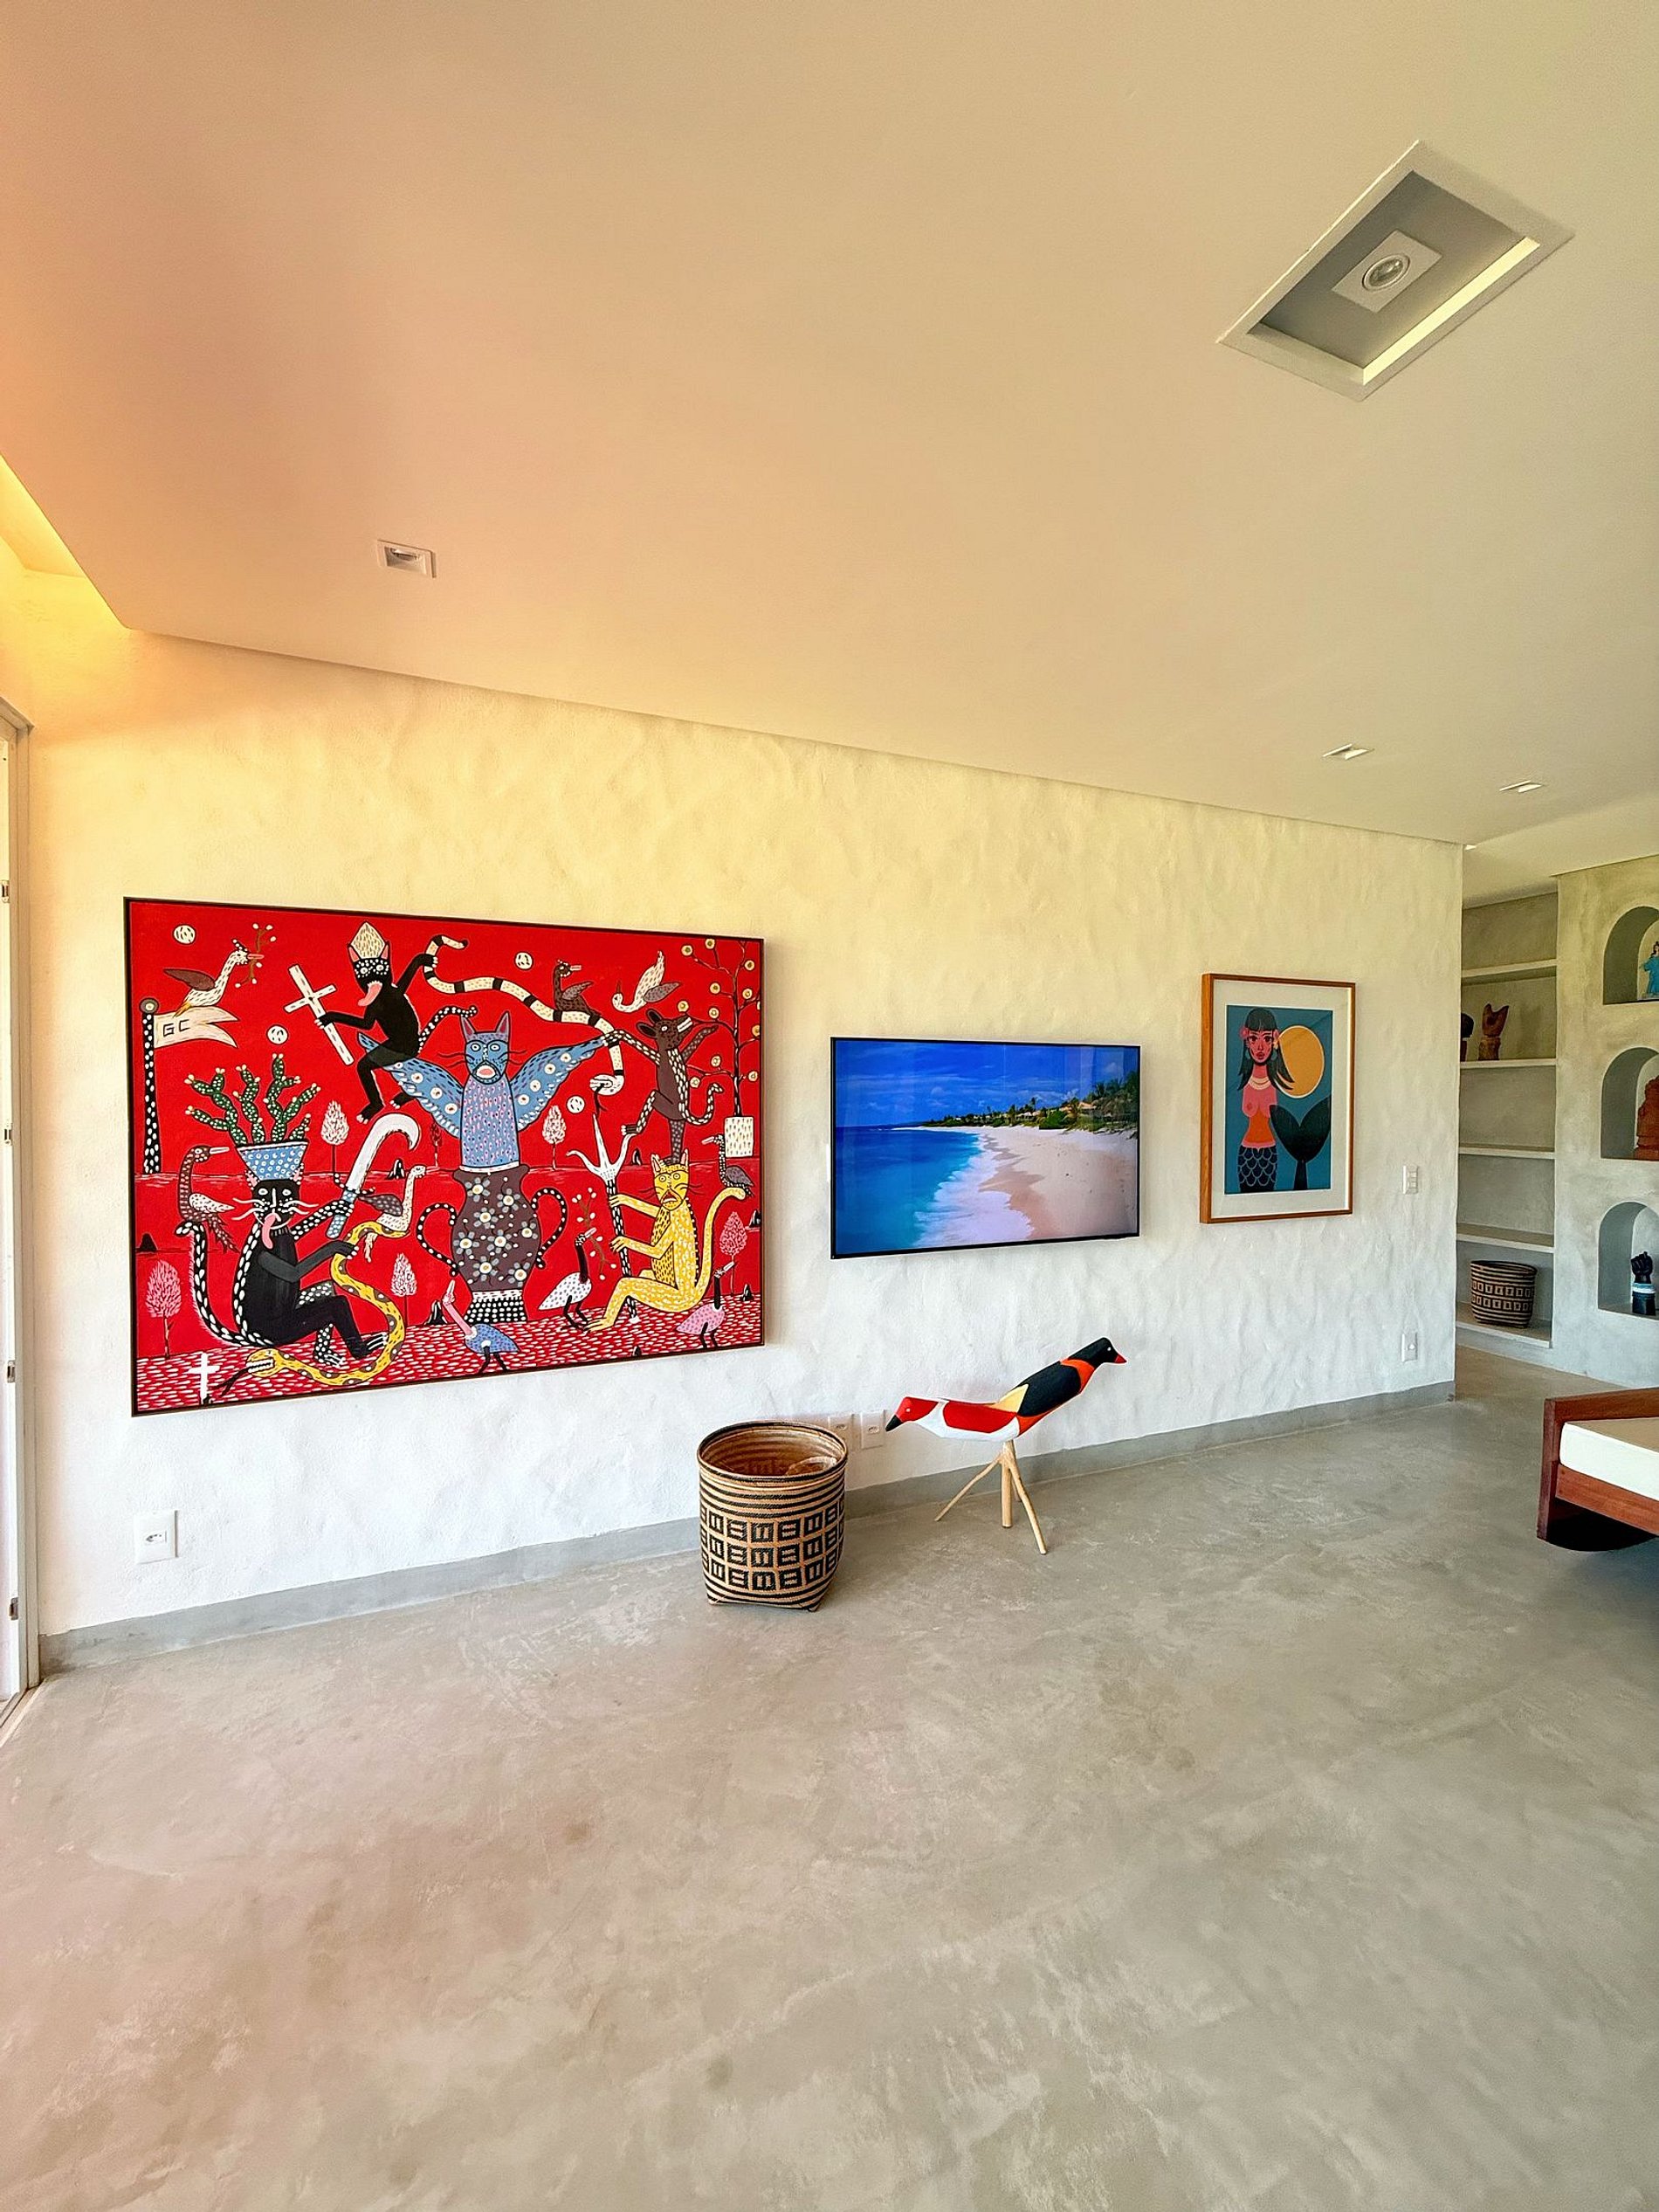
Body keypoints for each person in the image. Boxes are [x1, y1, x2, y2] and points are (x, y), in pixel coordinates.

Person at [1235, 1007, 1291, 1195]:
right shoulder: (1241, 1081)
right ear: (1247, 1041)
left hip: (1269, 1151)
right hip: (1246, 1151)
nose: (1260, 1047)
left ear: (1274, 1040)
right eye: (1254, 1038)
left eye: (1266, 1039)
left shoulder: (1278, 1081)